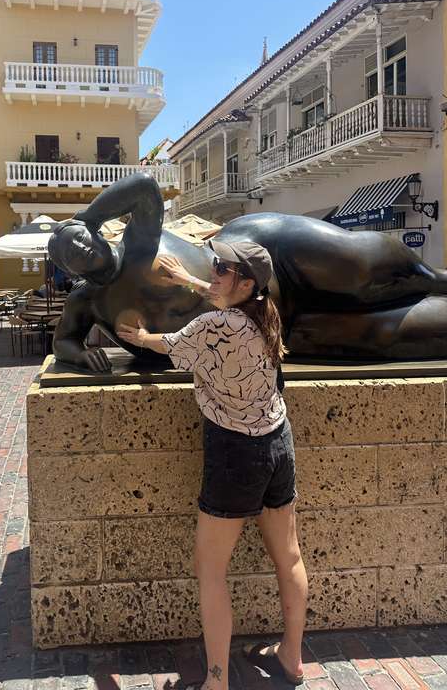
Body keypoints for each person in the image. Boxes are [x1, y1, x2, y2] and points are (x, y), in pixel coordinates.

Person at [117, 242, 307, 690]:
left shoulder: (212, 326)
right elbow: (224, 299)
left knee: (211, 570)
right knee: (290, 557)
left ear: (245, 283)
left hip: (234, 452)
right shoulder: (266, 311)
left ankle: (217, 680)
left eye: (224, 268)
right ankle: (292, 658)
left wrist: (139, 336)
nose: (215, 272)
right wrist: (186, 278)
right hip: (278, 441)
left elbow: (170, 344)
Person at [46, 174, 447, 370]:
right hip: (267, 331)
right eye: (67, 252)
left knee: (360, 268)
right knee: (388, 336)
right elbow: (63, 340)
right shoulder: (89, 300)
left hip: (262, 251)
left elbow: (145, 186)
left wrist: (83, 216)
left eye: (77, 236)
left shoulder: (139, 239)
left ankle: (438, 278)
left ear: (94, 231)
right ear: (68, 270)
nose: (78, 247)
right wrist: (82, 356)